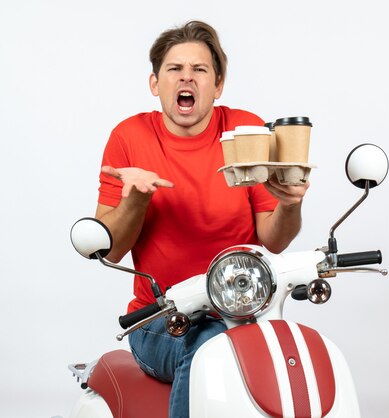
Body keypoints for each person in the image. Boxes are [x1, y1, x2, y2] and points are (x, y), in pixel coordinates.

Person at [95, 20, 308, 418]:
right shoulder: (129, 137)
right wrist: (137, 200)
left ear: (219, 84)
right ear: (155, 83)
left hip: (243, 311)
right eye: (175, 69)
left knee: (293, 352)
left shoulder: (245, 131)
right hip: (159, 319)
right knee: (210, 345)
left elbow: (273, 239)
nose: (186, 78)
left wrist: (291, 204)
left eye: (200, 69)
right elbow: (113, 247)